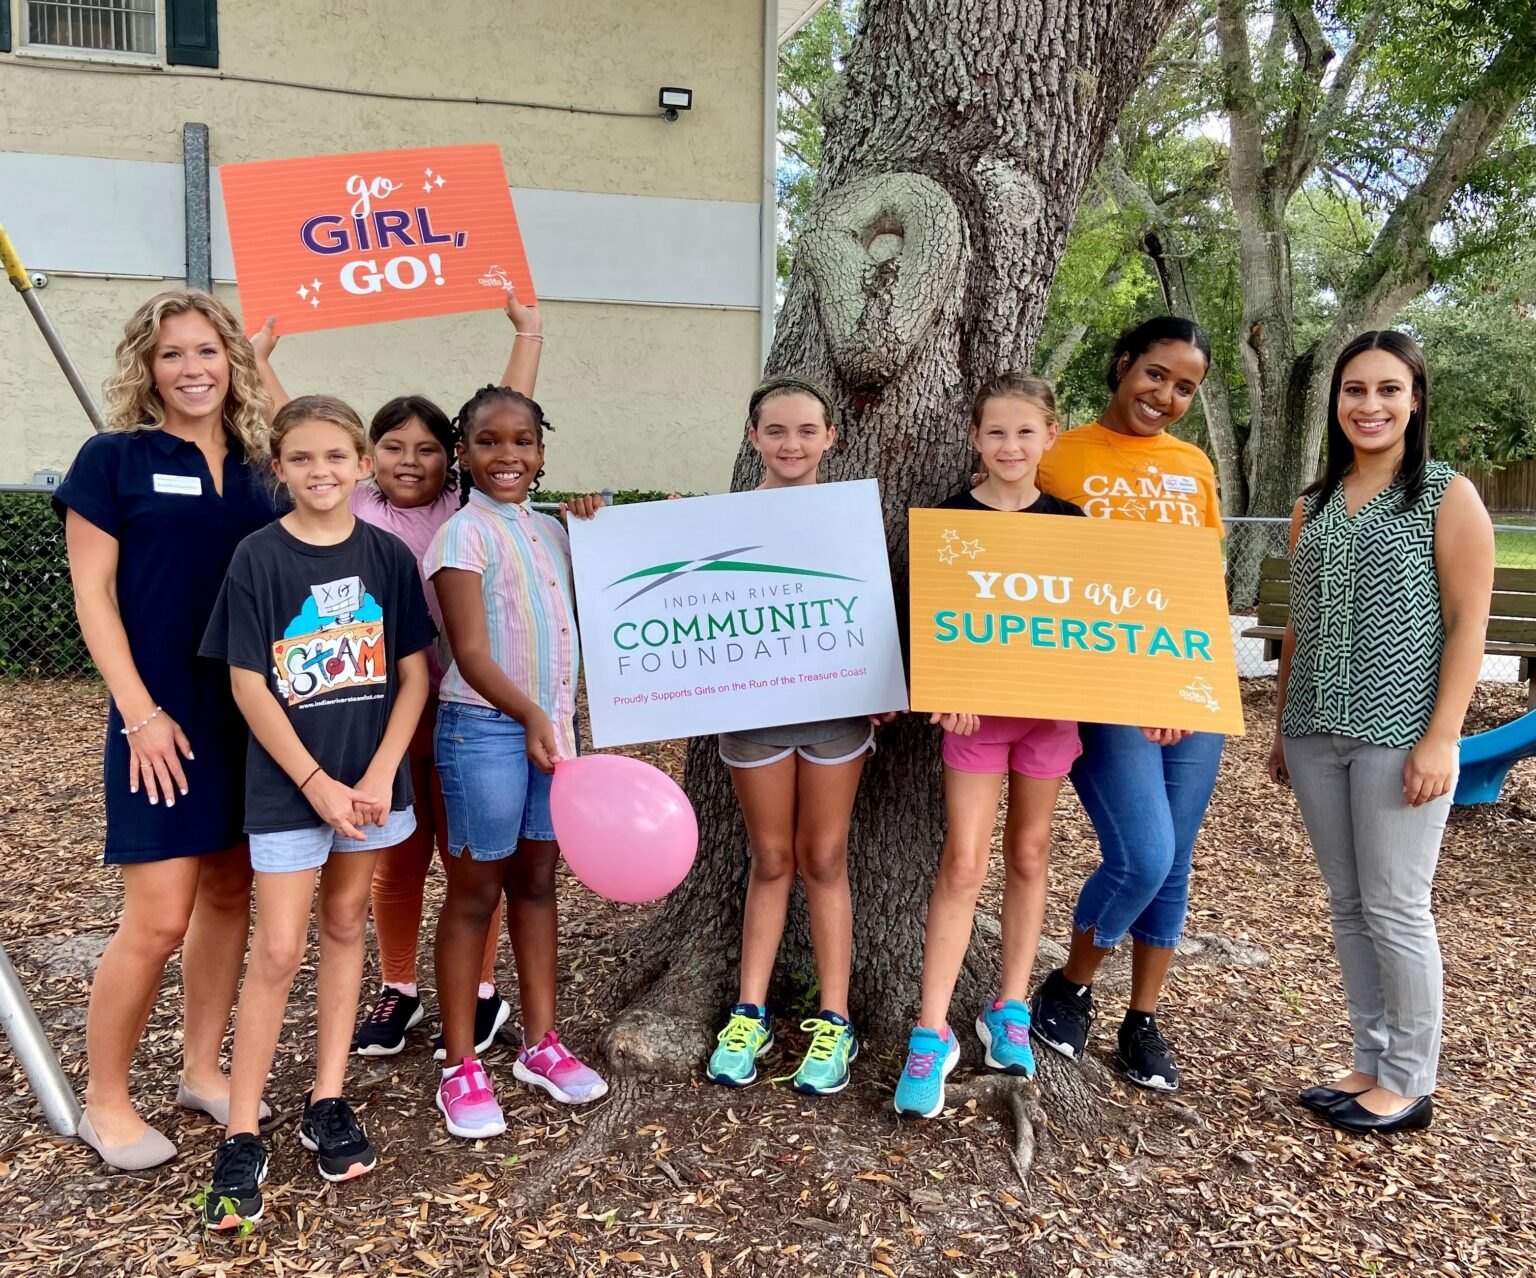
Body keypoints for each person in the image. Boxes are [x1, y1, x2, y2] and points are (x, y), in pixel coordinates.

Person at [251, 293, 545, 1059]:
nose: (409, 460)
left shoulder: (464, 503)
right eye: (392, 447)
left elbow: (507, 417)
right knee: (397, 857)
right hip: (379, 712)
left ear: (454, 458)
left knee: (470, 854)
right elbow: (299, 432)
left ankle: (480, 991)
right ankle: (400, 987)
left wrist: (527, 332)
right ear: (367, 457)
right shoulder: (353, 504)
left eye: (426, 448)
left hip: (466, 705)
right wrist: (258, 363)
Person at [55, 290, 278, 1170]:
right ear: (147, 367)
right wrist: (139, 714)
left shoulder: (261, 466)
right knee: (156, 918)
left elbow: (336, 479)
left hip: (250, 714)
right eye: (173, 354)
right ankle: (104, 1102)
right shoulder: (114, 460)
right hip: (159, 716)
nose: (193, 369)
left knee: (229, 893)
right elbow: (93, 598)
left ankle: (199, 1068)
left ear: (233, 362)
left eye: (208, 351)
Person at [198, 395, 431, 1229]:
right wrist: (316, 783)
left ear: (362, 464)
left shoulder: (386, 557)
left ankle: (327, 1098)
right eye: (301, 458)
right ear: (279, 468)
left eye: (337, 456)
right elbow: (247, 683)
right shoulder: (258, 557)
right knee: (278, 948)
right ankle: (241, 1132)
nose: (320, 471)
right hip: (289, 789)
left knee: (343, 925)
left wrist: (378, 771)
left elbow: (412, 676)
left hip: (370, 786)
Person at [1269, 331, 1493, 1136]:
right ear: (1336, 401)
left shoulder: (1445, 495)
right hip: (1313, 731)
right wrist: (1282, 726)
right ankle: (1369, 1062)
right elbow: (1299, 626)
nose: (1370, 405)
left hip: (1400, 732)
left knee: (1396, 905)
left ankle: (1409, 1080)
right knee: (1349, 904)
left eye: (1388, 389)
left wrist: (1443, 738)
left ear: (1416, 399)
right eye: (1355, 390)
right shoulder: (1314, 503)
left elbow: (1468, 626)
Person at [1029, 316, 1224, 1093]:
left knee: (1174, 861)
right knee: (1142, 855)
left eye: (1185, 388)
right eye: (1156, 374)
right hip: (1103, 685)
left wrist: (1181, 684)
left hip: (1188, 683)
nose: (1166, 395)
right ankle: (1071, 984)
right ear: (1122, 364)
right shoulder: (1059, 456)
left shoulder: (1193, 465)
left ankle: (1142, 1018)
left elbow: (1202, 581)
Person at [894, 375, 1085, 1118]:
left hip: (1049, 717)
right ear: (975, 438)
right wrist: (945, 685)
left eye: (1025, 432)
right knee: (965, 862)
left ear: (1050, 436)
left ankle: (1009, 1009)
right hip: (973, 723)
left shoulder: (1072, 523)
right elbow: (928, 621)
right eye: (996, 432)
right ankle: (931, 1031)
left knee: (1030, 854)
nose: (1011, 446)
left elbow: (1093, 625)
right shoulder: (947, 520)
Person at [425, 385, 608, 1139]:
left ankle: (540, 1043)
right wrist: (532, 715)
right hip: (484, 731)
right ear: (462, 454)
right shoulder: (460, 537)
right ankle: (460, 1065)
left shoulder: (554, 531)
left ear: (541, 451)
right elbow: (469, 653)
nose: (508, 455)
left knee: (537, 884)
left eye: (523, 441)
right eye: (489, 441)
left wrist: (612, 528)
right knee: (476, 895)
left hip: (551, 733)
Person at [704, 375, 880, 1097]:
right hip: (754, 717)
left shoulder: (853, 516)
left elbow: (874, 607)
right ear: (753, 438)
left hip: (836, 714)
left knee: (825, 857)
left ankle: (835, 1019)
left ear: (830, 437)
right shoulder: (718, 520)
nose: (791, 444)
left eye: (807, 430)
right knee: (772, 857)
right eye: (775, 431)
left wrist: (881, 683)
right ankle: (750, 1012)